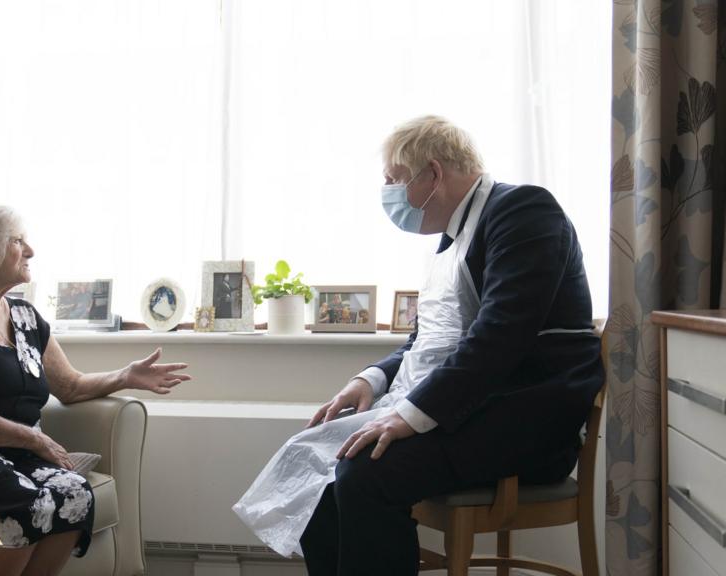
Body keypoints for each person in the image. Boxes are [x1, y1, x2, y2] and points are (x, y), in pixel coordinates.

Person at [233, 116, 602, 575]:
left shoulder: (523, 210)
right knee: (321, 466)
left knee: (365, 473)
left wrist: (410, 415)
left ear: (432, 173)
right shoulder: (453, 238)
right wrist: (371, 379)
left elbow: (502, 334)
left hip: (527, 419)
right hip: (475, 407)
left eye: (393, 179)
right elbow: (428, 337)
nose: (387, 191)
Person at [0, 205, 191, 576]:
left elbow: (69, 385)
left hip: (14, 450)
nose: (30, 251)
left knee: (75, 494)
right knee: (25, 505)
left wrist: (126, 376)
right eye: (18, 242)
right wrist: (34, 441)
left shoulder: (24, 316)